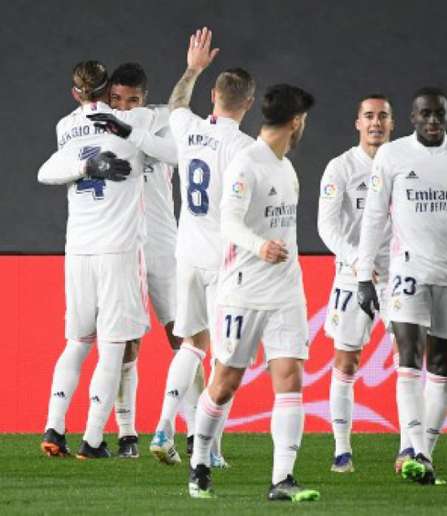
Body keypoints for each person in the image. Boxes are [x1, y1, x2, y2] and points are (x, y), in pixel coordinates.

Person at [357, 87, 447, 484]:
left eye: (439, 114)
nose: (433, 120)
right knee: (408, 355)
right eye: (426, 114)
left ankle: (423, 452)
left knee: (440, 365)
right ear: (413, 118)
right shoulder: (393, 155)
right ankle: (414, 448)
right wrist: (363, 272)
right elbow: (373, 216)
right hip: (408, 272)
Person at [186, 83, 318, 502]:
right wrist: (259, 246)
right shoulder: (248, 163)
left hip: (285, 291)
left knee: (290, 376)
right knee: (225, 381)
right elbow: (228, 221)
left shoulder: (286, 167)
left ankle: (282, 479)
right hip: (243, 291)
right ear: (296, 121)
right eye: (304, 120)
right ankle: (200, 463)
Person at [37, 60, 157, 459]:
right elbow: (175, 152)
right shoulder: (133, 124)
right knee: (112, 348)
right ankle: (92, 440)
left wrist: (85, 165)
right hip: (118, 249)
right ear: (109, 91)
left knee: (76, 342)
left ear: (75, 93)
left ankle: (54, 425)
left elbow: (46, 172)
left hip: (78, 250)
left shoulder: (64, 127)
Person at [149, 27, 256, 467]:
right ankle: (208, 449)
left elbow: (176, 103)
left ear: (213, 93)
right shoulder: (246, 149)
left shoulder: (189, 127)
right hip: (224, 260)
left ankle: (162, 427)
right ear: (247, 103)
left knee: (190, 345)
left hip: (186, 254)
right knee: (225, 358)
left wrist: (191, 69)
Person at [92, 62, 199, 459]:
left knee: (184, 337)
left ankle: (193, 432)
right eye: (115, 100)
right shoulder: (96, 125)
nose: (122, 107)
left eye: (131, 100)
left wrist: (190, 72)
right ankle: (127, 434)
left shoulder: (162, 121)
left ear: (145, 98)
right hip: (121, 245)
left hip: (163, 245)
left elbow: (181, 154)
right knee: (126, 343)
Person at [318, 94, 401, 473]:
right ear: (357, 123)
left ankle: (410, 448)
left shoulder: (404, 165)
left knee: (409, 359)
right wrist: (357, 261)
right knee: (346, 360)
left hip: (398, 276)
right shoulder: (341, 167)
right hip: (353, 277)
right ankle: (341, 449)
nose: (376, 123)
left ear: (392, 123)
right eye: (369, 116)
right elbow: (327, 225)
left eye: (382, 116)